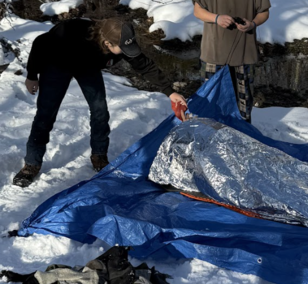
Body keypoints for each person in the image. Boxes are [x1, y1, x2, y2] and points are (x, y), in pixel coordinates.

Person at [13, 17, 187, 187]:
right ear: (107, 44)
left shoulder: (121, 40)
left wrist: (169, 91)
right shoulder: (68, 34)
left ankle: (99, 155)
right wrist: (32, 75)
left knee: (100, 110)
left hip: (88, 67)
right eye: (123, 48)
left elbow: (144, 65)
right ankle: (31, 164)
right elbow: (39, 43)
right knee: (46, 114)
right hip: (58, 63)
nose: (129, 51)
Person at [192, 0, 271, 122]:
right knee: (210, 104)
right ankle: (211, 136)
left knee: (244, 108)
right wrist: (216, 18)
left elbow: (264, 13)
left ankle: (243, 136)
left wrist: (252, 24)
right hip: (213, 53)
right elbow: (197, 11)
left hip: (244, 54)